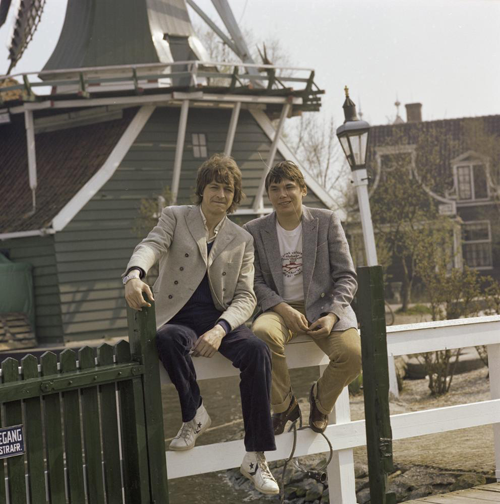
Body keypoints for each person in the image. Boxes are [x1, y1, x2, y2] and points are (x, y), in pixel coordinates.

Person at [123, 154, 279, 495]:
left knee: (257, 351)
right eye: (214, 187)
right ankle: (194, 413)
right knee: (166, 340)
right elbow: (151, 245)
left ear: (234, 196)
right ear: (202, 190)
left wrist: (221, 329)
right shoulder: (176, 217)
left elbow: (246, 296)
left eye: (228, 189)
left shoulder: (242, 239)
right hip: (178, 316)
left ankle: (256, 455)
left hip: (219, 318)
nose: (220, 195)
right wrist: (134, 274)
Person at [244, 160, 361, 435]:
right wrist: (282, 309)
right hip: (278, 307)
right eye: (275, 189)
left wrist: (332, 315)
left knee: (353, 355)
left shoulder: (326, 220)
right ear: (268, 194)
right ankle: (284, 406)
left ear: (303, 190)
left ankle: (320, 401)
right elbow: (255, 281)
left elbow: (347, 276)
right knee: (261, 334)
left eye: (289, 187)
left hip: (324, 305)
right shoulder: (254, 230)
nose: (282, 194)